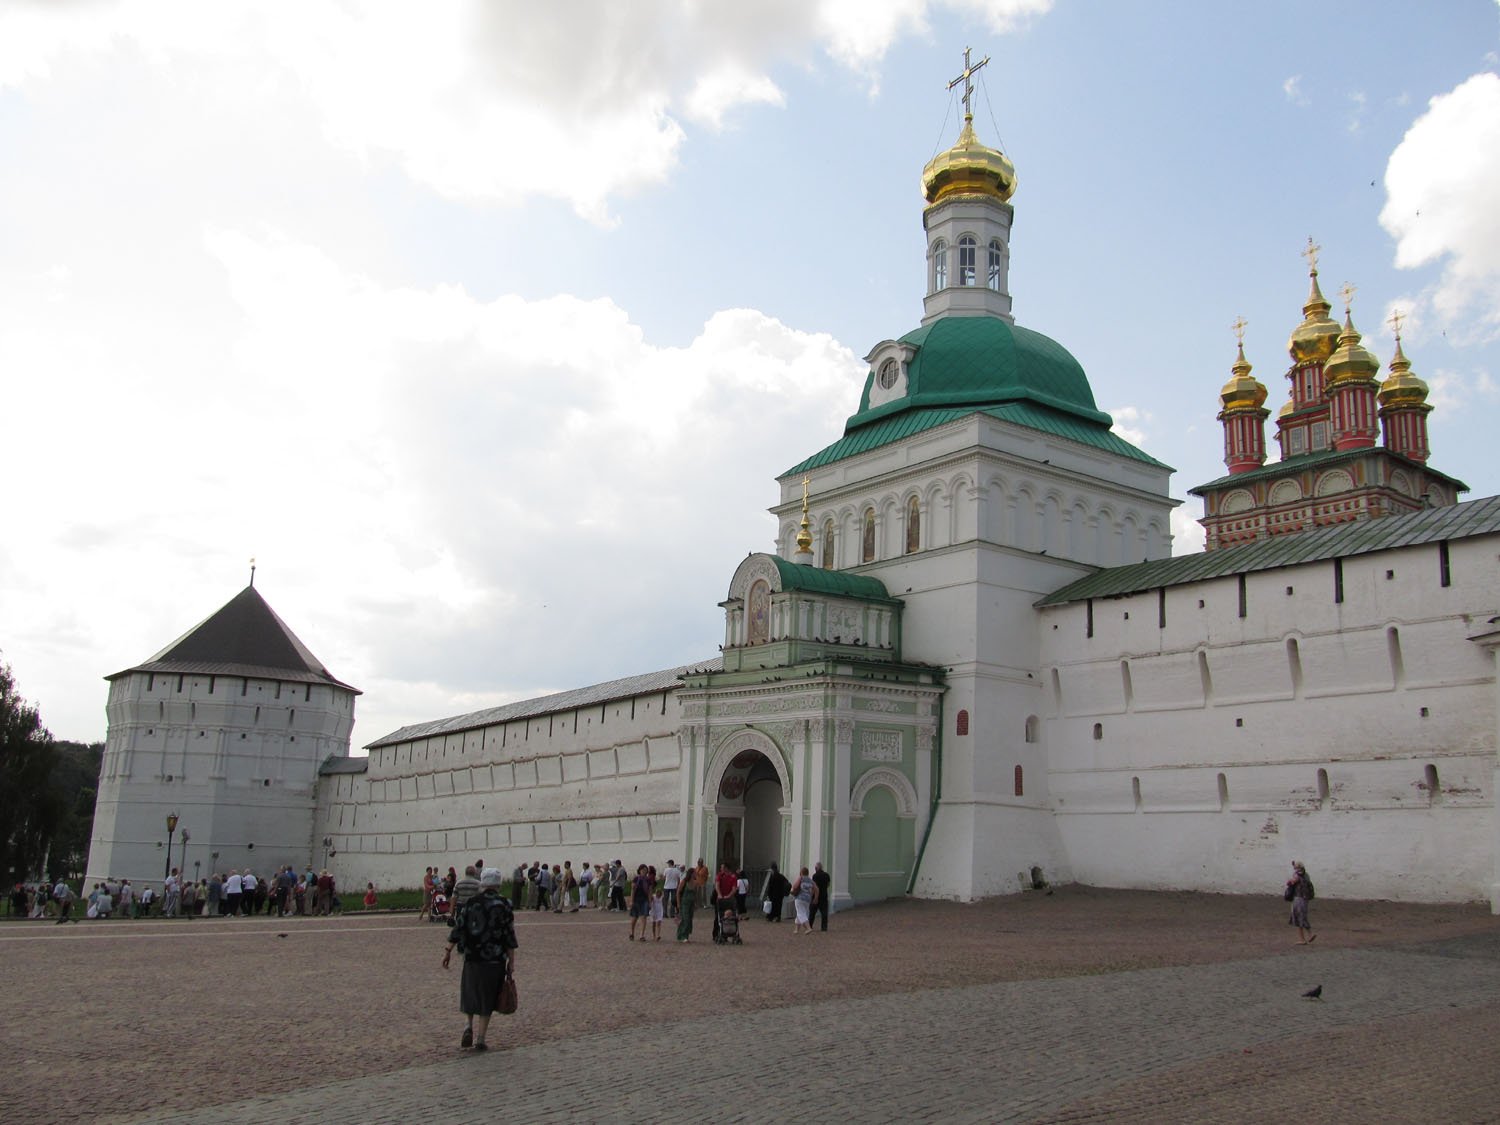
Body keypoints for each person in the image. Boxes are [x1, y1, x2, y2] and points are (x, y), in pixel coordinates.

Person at [441, 868, 518, 1053]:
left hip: (472, 956)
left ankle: (468, 1025)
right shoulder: (505, 904)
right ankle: (481, 1038)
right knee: (488, 996)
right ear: (498, 883)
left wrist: (448, 950)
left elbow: (459, 928)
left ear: (482, 882)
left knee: (470, 992)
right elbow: (509, 934)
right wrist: (511, 962)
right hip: (495, 959)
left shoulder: (472, 902)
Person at [1287, 860, 1316, 944]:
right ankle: (1308, 935)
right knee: (1302, 916)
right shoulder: (1306, 875)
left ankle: (1304, 937)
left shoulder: (1297, 875)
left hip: (1298, 898)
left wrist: (1289, 882)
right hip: (1305, 898)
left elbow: (1292, 882)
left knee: (1298, 917)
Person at [628, 865, 652, 941]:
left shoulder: (648, 880)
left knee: (644, 917)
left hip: (644, 900)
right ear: (639, 870)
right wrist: (631, 901)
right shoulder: (636, 879)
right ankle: (632, 932)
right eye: (643, 870)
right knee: (634, 918)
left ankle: (642, 935)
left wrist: (650, 902)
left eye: (646, 870)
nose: (644, 871)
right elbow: (632, 890)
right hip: (636, 900)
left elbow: (650, 891)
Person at [791, 866, 816, 935]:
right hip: (807, 900)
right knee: (801, 913)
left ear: (801, 873)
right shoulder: (810, 880)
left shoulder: (801, 878)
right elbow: (816, 888)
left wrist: (793, 889)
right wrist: (811, 895)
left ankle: (808, 928)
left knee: (800, 913)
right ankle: (796, 929)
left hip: (799, 898)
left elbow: (795, 886)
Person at [675, 867, 698, 942]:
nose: (696, 874)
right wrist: (678, 903)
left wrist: (696, 903)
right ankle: (681, 936)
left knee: (690, 919)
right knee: (685, 919)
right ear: (691, 874)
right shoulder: (684, 881)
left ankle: (686, 935)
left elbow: (695, 894)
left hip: (691, 903)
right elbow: (678, 892)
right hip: (684, 903)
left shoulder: (695, 882)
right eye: (694, 873)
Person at [811, 861, 831, 932]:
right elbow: (828, 884)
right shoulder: (827, 875)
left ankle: (810, 925)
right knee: (824, 913)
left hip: (816, 897)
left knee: (812, 913)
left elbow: (814, 887)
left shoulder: (815, 876)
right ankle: (824, 927)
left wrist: (812, 896)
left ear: (816, 868)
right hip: (824, 896)